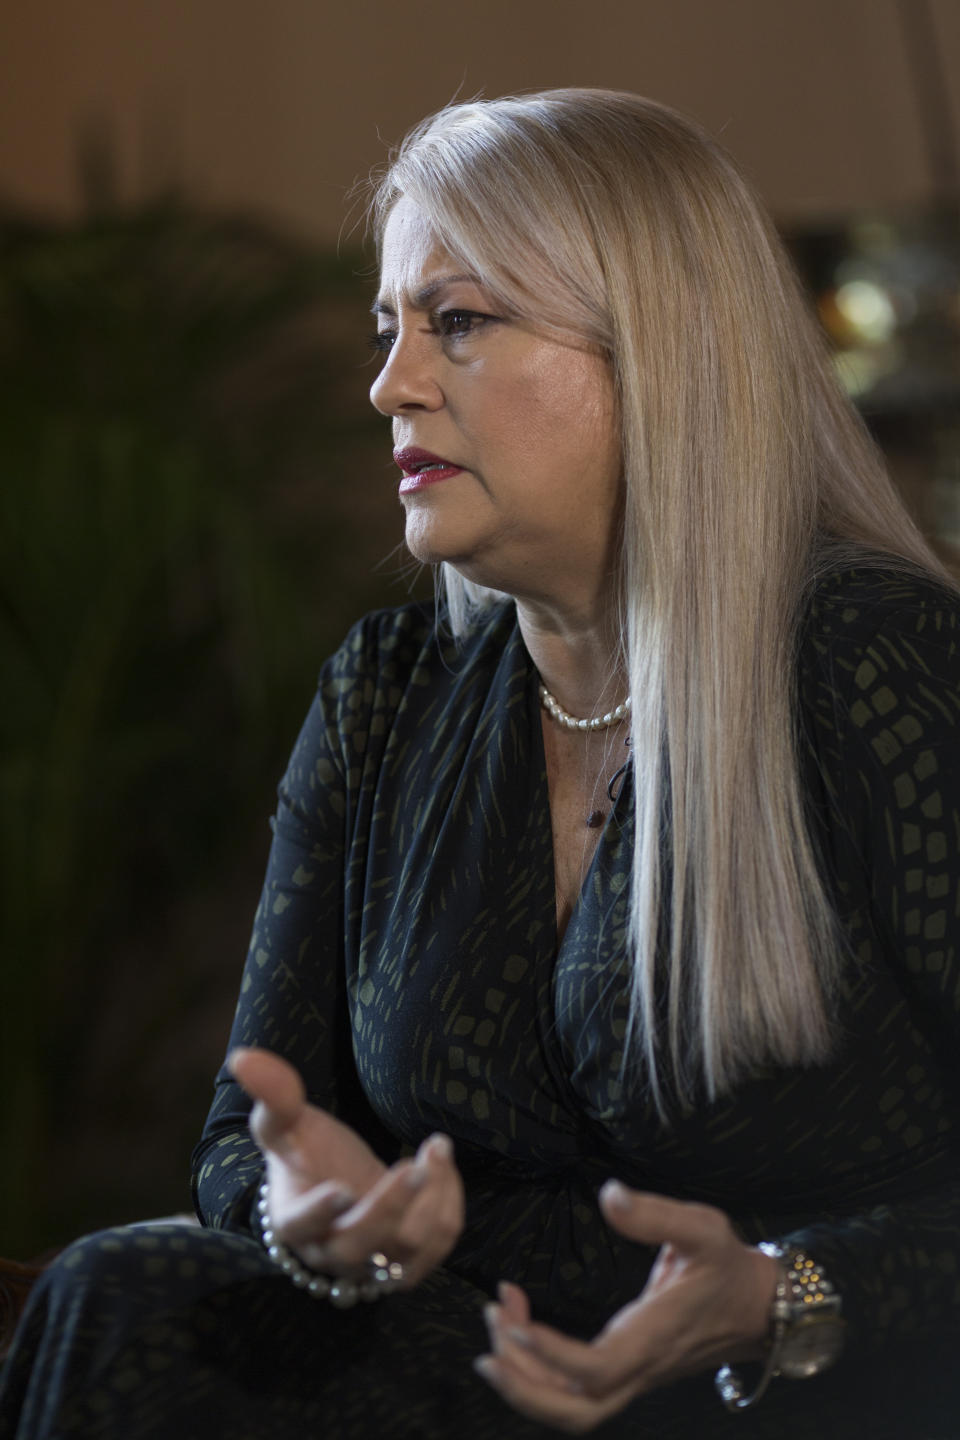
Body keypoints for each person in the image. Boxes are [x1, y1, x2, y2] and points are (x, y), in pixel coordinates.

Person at [1, 88, 959, 1440]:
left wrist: (787, 1292)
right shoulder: (384, 695)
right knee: (123, 1292)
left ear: (662, 356)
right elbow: (247, 1130)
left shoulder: (881, 666)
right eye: (390, 327)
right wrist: (308, 1211)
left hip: (789, 1394)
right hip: (465, 1369)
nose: (387, 382)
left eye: (457, 322)